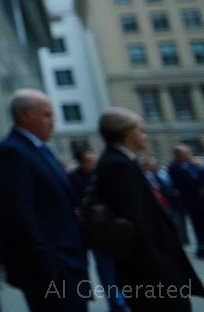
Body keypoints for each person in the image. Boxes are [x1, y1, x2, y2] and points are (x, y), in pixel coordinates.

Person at [94, 108, 202, 311]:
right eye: (141, 130)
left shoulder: (121, 161)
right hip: (152, 270)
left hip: (153, 266)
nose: (146, 135)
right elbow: (136, 222)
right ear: (126, 132)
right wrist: (160, 270)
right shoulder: (118, 165)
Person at [0, 89, 88, 311]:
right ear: (25, 115)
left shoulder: (40, 149)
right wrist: (48, 263)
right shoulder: (11, 152)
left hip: (68, 260)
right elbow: (18, 213)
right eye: (47, 115)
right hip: (51, 267)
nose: (53, 122)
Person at [67, 146, 128, 312]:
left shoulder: (102, 175)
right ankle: (89, 299)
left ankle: (117, 303)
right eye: (89, 161)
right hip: (83, 230)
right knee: (88, 268)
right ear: (80, 162)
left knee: (109, 268)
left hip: (104, 231)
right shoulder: (71, 179)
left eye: (94, 160)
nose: (93, 163)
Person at [167, 145, 204, 257]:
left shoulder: (194, 165)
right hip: (192, 202)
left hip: (201, 200)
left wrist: (200, 168)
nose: (190, 154)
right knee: (198, 225)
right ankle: (201, 247)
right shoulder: (174, 167)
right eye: (187, 153)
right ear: (178, 155)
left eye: (189, 152)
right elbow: (185, 183)